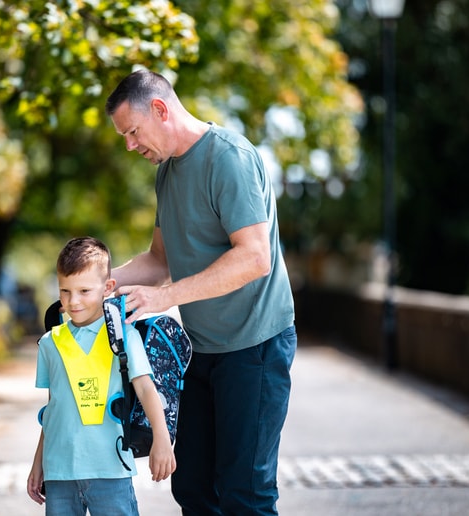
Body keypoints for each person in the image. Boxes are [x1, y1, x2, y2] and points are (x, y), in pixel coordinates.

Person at [104, 69, 298, 515]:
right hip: (202, 351)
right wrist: (98, 285)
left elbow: (254, 257)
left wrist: (167, 297)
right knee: (191, 486)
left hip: (256, 348)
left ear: (160, 109)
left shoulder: (228, 157)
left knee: (244, 493)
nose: (130, 146)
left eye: (132, 132)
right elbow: (158, 260)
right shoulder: (168, 173)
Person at [27, 236, 176, 515]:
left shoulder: (123, 336)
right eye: (65, 291)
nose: (74, 301)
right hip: (59, 474)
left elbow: (146, 390)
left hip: (111, 470)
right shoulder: (50, 343)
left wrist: (162, 438)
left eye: (84, 290)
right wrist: (39, 463)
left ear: (107, 287)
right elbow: (53, 408)